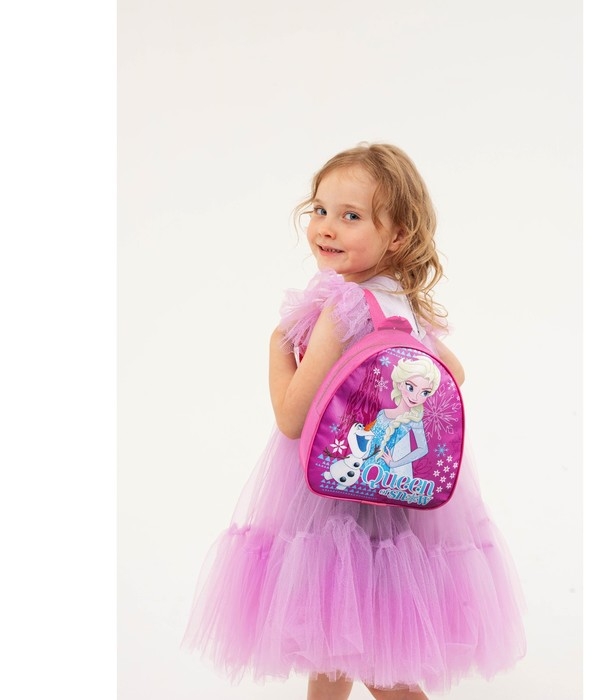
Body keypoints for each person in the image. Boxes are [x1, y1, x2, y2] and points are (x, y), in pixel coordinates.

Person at [183, 143, 526, 699]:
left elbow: (291, 418)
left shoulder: (341, 310)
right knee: (339, 634)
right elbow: (454, 373)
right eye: (320, 210)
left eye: (351, 216)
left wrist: (277, 348)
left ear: (398, 236)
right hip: (397, 492)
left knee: (373, 659)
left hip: (336, 496)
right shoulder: (403, 305)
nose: (327, 227)